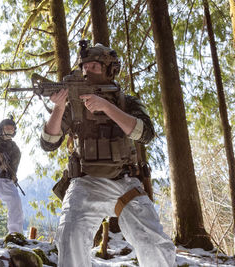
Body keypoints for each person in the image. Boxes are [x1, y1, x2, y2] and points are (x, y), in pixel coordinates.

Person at [40, 42, 176, 267]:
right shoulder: (74, 103)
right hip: (85, 182)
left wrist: (107, 107)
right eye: (84, 66)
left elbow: (146, 133)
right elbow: (49, 143)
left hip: (125, 182)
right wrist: (59, 108)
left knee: (153, 243)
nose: (87, 71)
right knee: (69, 237)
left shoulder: (125, 101)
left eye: (95, 66)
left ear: (110, 70)